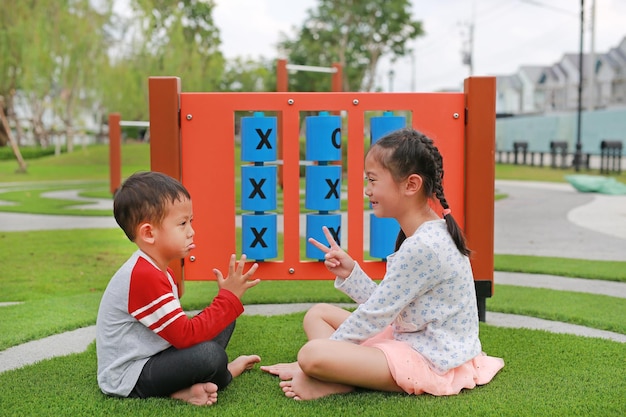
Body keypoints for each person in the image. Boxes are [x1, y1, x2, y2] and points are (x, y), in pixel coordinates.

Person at [261, 128, 504, 400]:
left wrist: (313, 366)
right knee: (317, 314)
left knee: (312, 354)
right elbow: (390, 307)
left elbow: (375, 316)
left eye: (373, 180)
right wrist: (352, 273)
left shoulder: (423, 246)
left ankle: (335, 378)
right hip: (411, 338)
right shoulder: (430, 233)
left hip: (430, 360)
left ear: (411, 185)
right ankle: (338, 374)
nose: (367, 190)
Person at [96, 171, 261, 406]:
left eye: (190, 221)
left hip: (157, 355)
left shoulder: (159, 270)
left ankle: (184, 389)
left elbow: (180, 332)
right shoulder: (143, 275)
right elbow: (185, 337)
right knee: (210, 356)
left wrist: (227, 302)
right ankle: (225, 374)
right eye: (182, 224)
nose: (191, 231)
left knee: (225, 319)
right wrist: (228, 298)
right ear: (148, 233)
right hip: (130, 375)